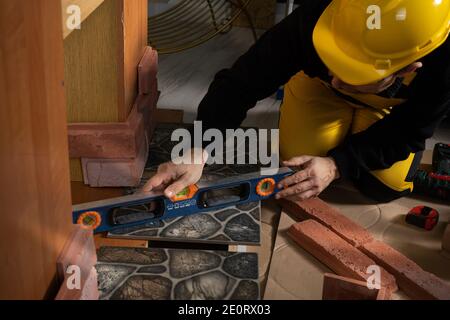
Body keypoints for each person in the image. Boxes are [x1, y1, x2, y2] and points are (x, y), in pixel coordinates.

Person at [144, 0, 450, 203]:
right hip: (316, 92)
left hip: (391, 112)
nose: (337, 80)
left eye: (351, 74)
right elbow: (240, 83)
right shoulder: (317, 17)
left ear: (409, 68)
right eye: (334, 62)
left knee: (382, 187)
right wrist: (199, 149)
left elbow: (411, 130)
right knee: (295, 171)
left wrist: (337, 164)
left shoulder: (442, 66)